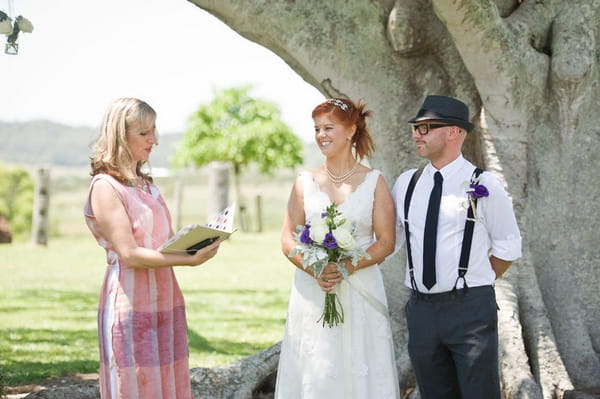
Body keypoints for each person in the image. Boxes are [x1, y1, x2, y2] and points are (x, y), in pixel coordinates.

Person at [84, 98, 221, 398]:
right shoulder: (106, 187)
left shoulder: (146, 184)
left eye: (154, 130)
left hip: (165, 295)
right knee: (136, 383)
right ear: (121, 135)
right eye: (144, 132)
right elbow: (130, 255)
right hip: (131, 299)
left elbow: (161, 242)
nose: (154, 140)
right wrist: (190, 261)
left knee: (167, 380)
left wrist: (195, 240)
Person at [391, 95, 522, 399]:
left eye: (425, 128)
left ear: (454, 132)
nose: (416, 134)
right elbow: (393, 240)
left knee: (479, 393)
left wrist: (473, 282)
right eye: (415, 128)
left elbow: (508, 244)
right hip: (421, 310)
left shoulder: (484, 182)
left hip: (470, 309)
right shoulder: (407, 183)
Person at [276, 98, 400, 399]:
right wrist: (316, 268)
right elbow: (288, 239)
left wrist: (346, 266)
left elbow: (386, 242)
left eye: (329, 128)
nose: (321, 135)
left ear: (351, 130)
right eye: (317, 129)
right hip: (313, 290)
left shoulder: (374, 181)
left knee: (360, 365)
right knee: (316, 364)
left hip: (359, 286)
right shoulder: (305, 181)